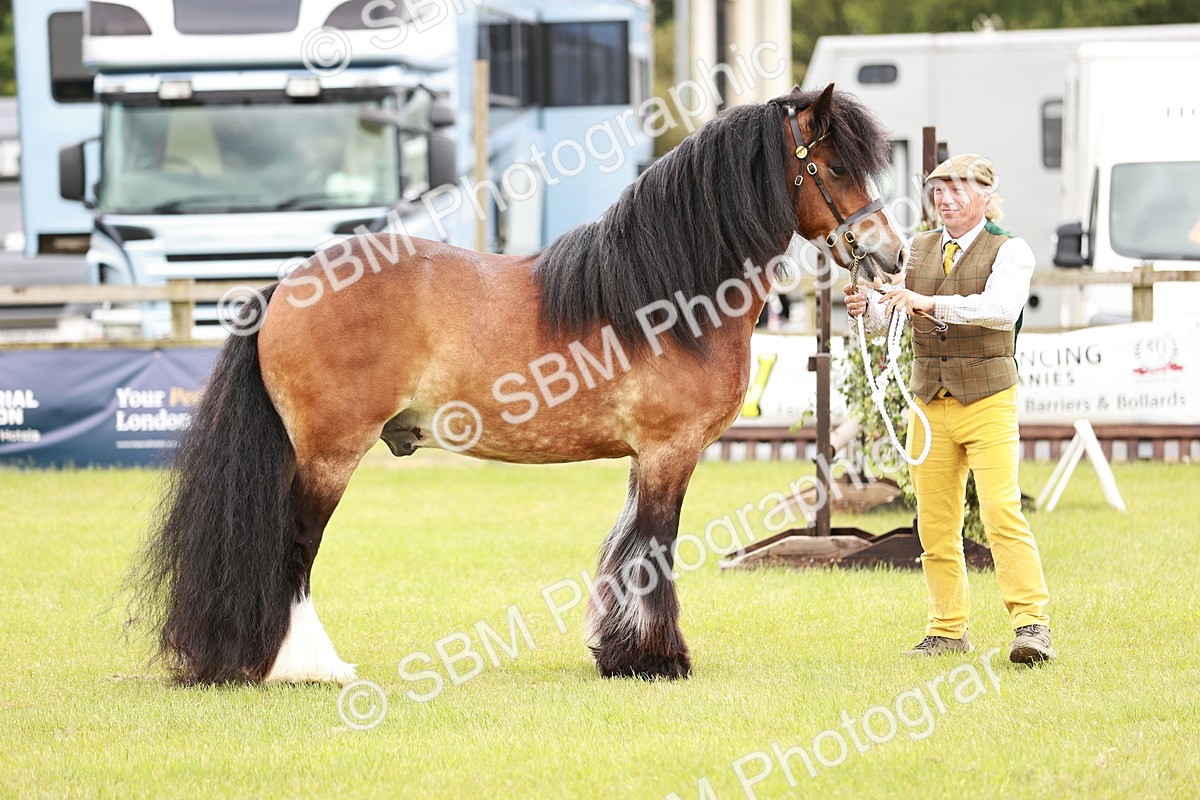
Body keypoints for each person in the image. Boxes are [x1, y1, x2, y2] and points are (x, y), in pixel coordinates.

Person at [845, 153, 1054, 664]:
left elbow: (1000, 311)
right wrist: (868, 309)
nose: (945, 198)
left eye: (958, 189)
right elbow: (889, 321)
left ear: (985, 195)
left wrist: (927, 302)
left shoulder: (1011, 250)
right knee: (934, 526)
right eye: (938, 190)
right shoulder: (916, 250)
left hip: (988, 399)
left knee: (1003, 514)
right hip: (928, 403)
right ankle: (946, 629)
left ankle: (1031, 627)